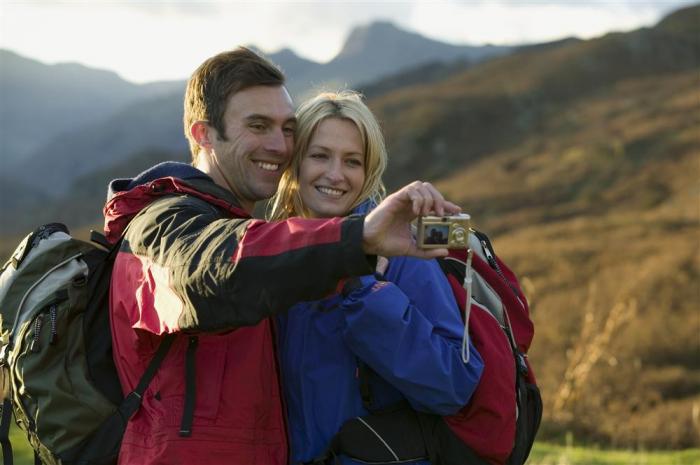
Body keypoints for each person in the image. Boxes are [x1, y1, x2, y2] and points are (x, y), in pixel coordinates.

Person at [103, 48, 460, 465]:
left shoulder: (329, 251)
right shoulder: (169, 226)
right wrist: (353, 242)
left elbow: (452, 383)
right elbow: (208, 267)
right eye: (258, 125)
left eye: (287, 129)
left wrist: (365, 280)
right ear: (203, 134)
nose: (277, 145)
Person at [268, 91, 483, 464]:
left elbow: (452, 384)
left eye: (352, 161)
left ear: (368, 173)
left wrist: (364, 290)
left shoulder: (403, 254)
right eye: (320, 155)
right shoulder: (276, 253)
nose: (335, 174)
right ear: (295, 163)